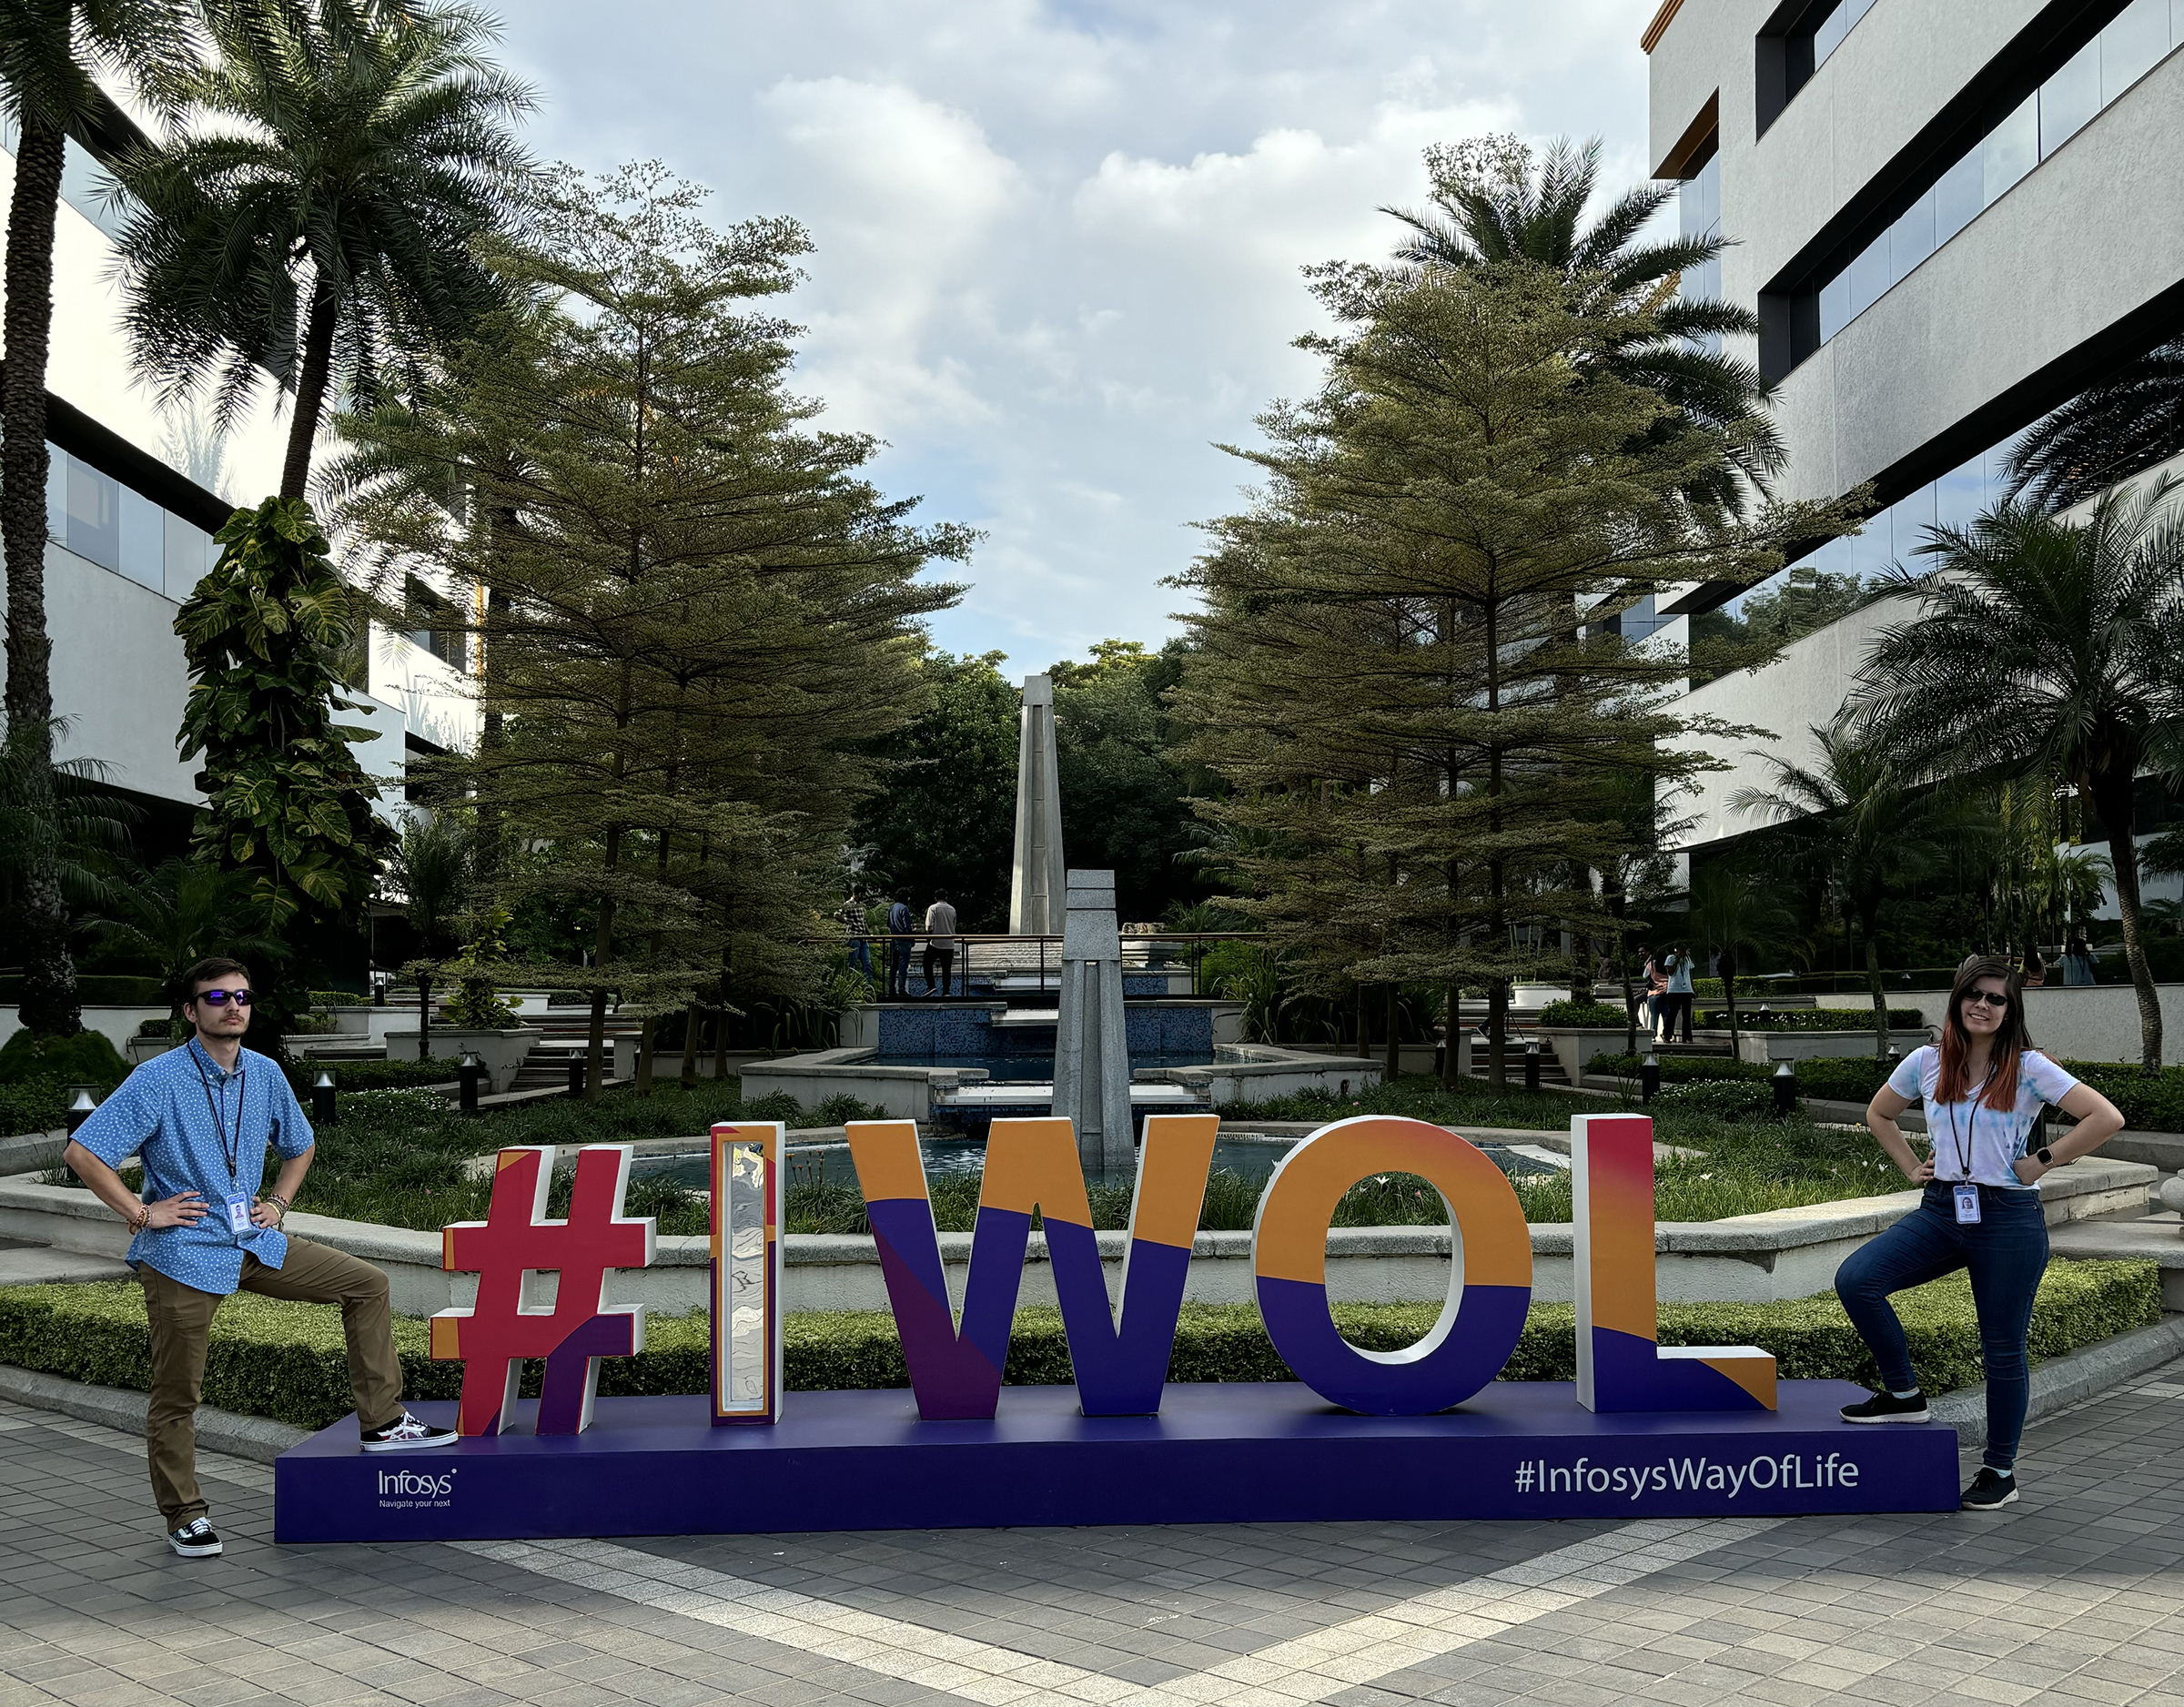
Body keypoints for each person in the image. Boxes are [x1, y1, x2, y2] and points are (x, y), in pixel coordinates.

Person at [64, 958, 458, 1559]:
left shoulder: (265, 1073)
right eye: (216, 996)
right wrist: (143, 1214)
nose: (233, 1006)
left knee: (367, 1284)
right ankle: (184, 1516)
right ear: (191, 1011)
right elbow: (82, 1152)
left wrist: (278, 1200)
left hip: (253, 1241)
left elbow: (301, 1145)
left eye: (242, 996)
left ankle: (382, 1423)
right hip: (182, 1254)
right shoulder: (158, 1079)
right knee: (178, 1394)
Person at [1835, 954, 2124, 1510]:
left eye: (1997, 998)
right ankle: (1903, 1394)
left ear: (2010, 1009)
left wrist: (2043, 1158)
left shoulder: (2030, 1066)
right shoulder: (1927, 1061)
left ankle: (2000, 1470)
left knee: (2002, 1352)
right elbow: (1879, 1114)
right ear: (1958, 999)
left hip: (2009, 1220)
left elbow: (2105, 1117)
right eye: (1975, 994)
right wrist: (1909, 1165)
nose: (1983, 1005)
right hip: (1943, 1209)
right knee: (1858, 1279)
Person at [922, 889, 959, 996]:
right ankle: (946, 991)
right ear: (946, 898)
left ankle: (931, 985)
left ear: (935, 898)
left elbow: (929, 926)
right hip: (949, 942)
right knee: (946, 969)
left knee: (927, 963)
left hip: (936, 942)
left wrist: (929, 935)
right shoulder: (952, 909)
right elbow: (953, 924)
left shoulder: (933, 908)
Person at [1661, 948, 1695, 1044]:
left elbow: (1690, 973)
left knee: (1687, 1015)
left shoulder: (1687, 959)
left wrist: (1693, 988)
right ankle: (1667, 1035)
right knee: (1672, 1013)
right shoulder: (1670, 958)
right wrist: (1677, 959)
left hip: (1686, 990)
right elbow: (1670, 972)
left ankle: (1687, 1037)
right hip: (1674, 990)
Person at [885, 894, 915, 998]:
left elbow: (888, 924)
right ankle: (901, 988)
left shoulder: (892, 908)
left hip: (894, 939)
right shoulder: (904, 909)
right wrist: (912, 938)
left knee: (893, 966)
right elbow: (907, 926)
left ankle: (891, 989)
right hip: (904, 939)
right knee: (903, 965)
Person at [1641, 948, 1667, 1041]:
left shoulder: (1651, 964)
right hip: (1667, 991)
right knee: (1665, 1015)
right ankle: (1666, 1034)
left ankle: (1653, 1035)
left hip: (1654, 992)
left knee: (1654, 1016)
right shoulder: (1669, 964)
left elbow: (1645, 976)